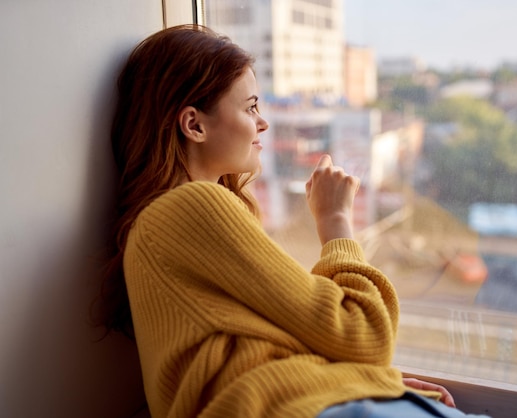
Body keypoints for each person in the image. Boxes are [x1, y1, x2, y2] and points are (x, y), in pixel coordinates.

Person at [99, 24, 490, 418]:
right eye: (250, 107)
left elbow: (275, 342)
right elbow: (364, 334)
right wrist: (336, 219)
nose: (263, 123)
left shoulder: (162, 225)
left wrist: (356, 378)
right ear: (194, 125)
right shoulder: (190, 206)